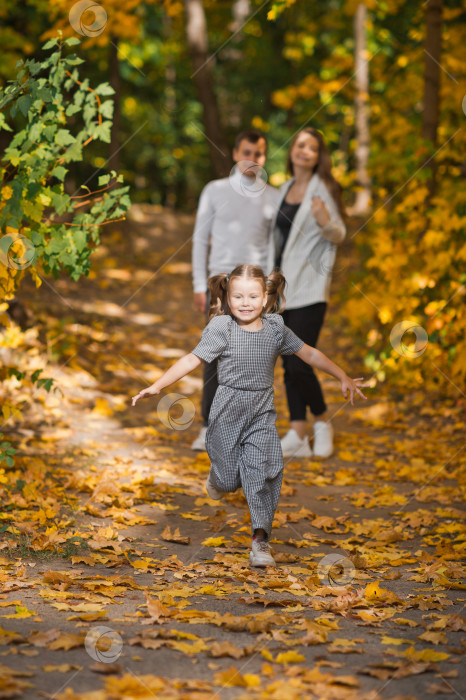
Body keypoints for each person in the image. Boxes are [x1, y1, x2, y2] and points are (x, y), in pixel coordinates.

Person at [132, 264, 367, 568]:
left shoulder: (276, 328)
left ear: (266, 296)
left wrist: (342, 375)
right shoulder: (221, 328)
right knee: (229, 481)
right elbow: (191, 359)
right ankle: (217, 477)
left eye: (252, 296)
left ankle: (260, 542)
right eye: (238, 296)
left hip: (261, 415)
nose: (245, 303)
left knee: (263, 472)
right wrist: (156, 386)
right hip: (226, 412)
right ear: (227, 297)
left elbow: (308, 353)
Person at [190, 129, 278, 451]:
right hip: (220, 286)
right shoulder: (214, 191)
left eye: (258, 154)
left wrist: (269, 293)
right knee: (214, 357)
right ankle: (207, 427)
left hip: (256, 291)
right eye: (247, 152)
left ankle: (248, 432)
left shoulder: (273, 196)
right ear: (235, 152)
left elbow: (273, 249)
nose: (252, 160)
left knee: (255, 362)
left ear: (264, 158)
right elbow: (200, 240)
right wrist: (200, 285)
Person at [270, 127, 347, 459]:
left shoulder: (323, 189)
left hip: (311, 289)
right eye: (300, 144)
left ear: (318, 156)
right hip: (281, 290)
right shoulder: (284, 189)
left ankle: (322, 422)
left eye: (312, 148)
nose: (305, 151)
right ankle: (298, 433)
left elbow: (339, 233)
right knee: (288, 362)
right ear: (292, 151)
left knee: (300, 361)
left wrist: (323, 221)